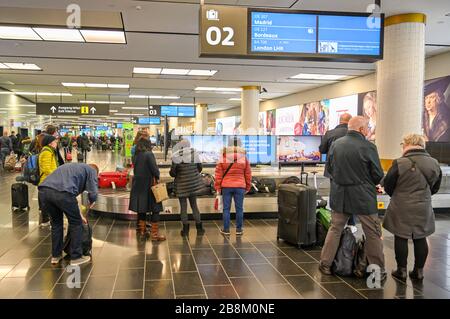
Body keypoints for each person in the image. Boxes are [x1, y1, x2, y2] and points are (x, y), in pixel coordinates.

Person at [319, 116, 385, 280]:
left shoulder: (336, 144)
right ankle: (377, 270)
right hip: (363, 196)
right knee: (372, 232)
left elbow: (331, 169)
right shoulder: (368, 146)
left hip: (340, 194)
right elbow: (377, 174)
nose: (369, 130)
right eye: (368, 127)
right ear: (362, 129)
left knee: (335, 229)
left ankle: (325, 264)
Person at [382, 134, 442, 281]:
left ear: (407, 144)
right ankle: (419, 271)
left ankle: (401, 270)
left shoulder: (399, 163)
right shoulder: (434, 163)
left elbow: (388, 185)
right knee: (421, 237)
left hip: (401, 205)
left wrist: (397, 194)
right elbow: (435, 187)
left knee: (401, 236)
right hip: (423, 205)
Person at [38, 163, 98, 266]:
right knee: (76, 223)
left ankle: (56, 256)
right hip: (63, 193)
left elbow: (72, 198)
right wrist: (92, 200)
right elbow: (92, 191)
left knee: (56, 224)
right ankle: (76, 257)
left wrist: (79, 214)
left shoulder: (73, 168)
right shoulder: (91, 170)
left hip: (44, 191)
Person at [319, 113, 357, 232]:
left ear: (339, 121)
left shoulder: (330, 133)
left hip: (333, 170)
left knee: (335, 193)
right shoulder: (355, 135)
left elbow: (322, 150)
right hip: (351, 170)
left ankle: (335, 221)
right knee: (351, 195)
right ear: (350, 121)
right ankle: (351, 222)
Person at [129, 138, 166, 241]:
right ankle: (154, 235)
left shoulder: (135, 155)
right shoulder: (149, 154)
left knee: (141, 209)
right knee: (156, 209)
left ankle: (142, 232)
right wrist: (157, 175)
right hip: (149, 185)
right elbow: (155, 170)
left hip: (137, 185)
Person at [215, 137, 252, 236]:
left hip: (226, 186)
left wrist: (218, 187)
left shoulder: (223, 157)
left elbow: (218, 174)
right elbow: (248, 174)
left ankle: (226, 230)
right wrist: (247, 186)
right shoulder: (244, 158)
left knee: (226, 209)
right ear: (240, 145)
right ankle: (239, 230)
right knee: (239, 209)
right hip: (240, 186)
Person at [170, 139, 205, 237]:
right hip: (193, 185)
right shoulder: (195, 154)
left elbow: (173, 173)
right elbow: (200, 168)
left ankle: (185, 230)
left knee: (183, 207)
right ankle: (199, 227)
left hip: (182, 185)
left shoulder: (176, 156)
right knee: (194, 206)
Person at [38, 134, 60, 227]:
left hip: (49, 180)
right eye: (55, 142)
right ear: (50, 143)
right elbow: (46, 169)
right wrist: (56, 174)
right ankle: (48, 221)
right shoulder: (47, 152)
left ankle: (46, 220)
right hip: (47, 181)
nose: (56, 143)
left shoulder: (50, 151)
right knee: (48, 203)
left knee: (47, 202)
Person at [423, 77, 450, 142]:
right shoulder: (422, 118)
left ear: (438, 99)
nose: (428, 101)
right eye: (426, 98)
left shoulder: (446, 119)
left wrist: (428, 141)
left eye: (431, 97)